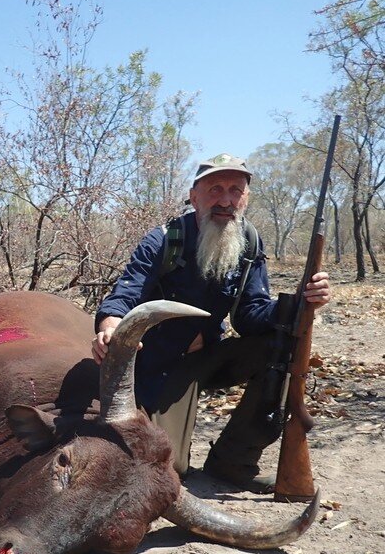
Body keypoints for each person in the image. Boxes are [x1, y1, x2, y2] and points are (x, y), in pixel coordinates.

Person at [92, 153, 331, 493]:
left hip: (208, 358)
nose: (225, 200)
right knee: (167, 471)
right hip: (157, 367)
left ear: (245, 197)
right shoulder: (163, 240)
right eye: (215, 189)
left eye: (236, 190)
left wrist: (300, 303)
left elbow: (250, 317)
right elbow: (124, 296)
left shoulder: (248, 241)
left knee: (278, 347)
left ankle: (233, 463)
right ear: (194, 197)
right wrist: (110, 327)